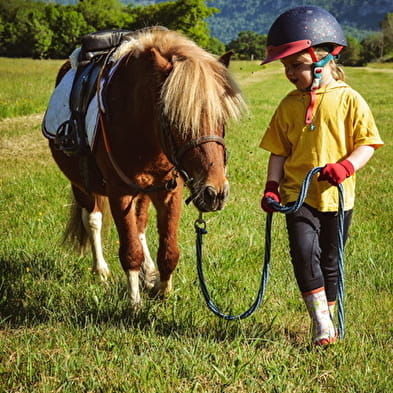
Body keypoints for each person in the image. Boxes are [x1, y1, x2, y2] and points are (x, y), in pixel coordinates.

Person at [259, 6, 384, 346]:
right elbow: (278, 151)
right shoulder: (288, 105)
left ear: (323, 59)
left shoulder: (350, 100)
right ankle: (322, 324)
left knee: (331, 260)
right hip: (297, 196)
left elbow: (368, 144)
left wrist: (346, 166)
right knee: (303, 254)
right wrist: (272, 187)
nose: (288, 73)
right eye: (286, 66)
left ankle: (327, 317)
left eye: (295, 65)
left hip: (337, 198)